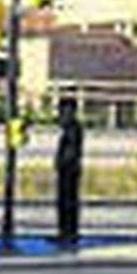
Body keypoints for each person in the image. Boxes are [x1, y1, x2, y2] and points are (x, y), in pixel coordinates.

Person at [54, 97, 85, 248]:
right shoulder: (67, 128)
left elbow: (72, 147)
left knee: (69, 201)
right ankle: (63, 231)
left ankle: (70, 231)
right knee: (62, 201)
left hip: (70, 168)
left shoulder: (74, 127)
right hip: (63, 167)